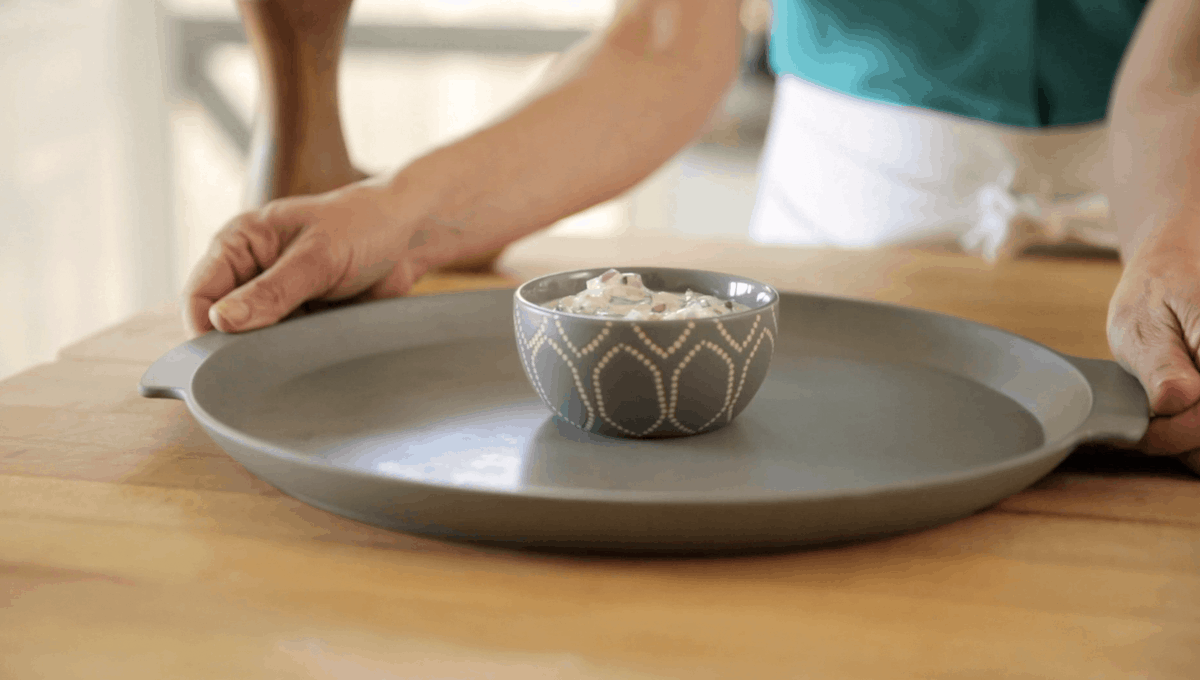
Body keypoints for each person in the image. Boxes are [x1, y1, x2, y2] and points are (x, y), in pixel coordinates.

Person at [183, 0, 1200, 465]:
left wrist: (1168, 245)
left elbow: (1182, 65)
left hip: (1165, 199)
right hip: (841, 213)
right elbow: (665, 37)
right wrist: (397, 213)